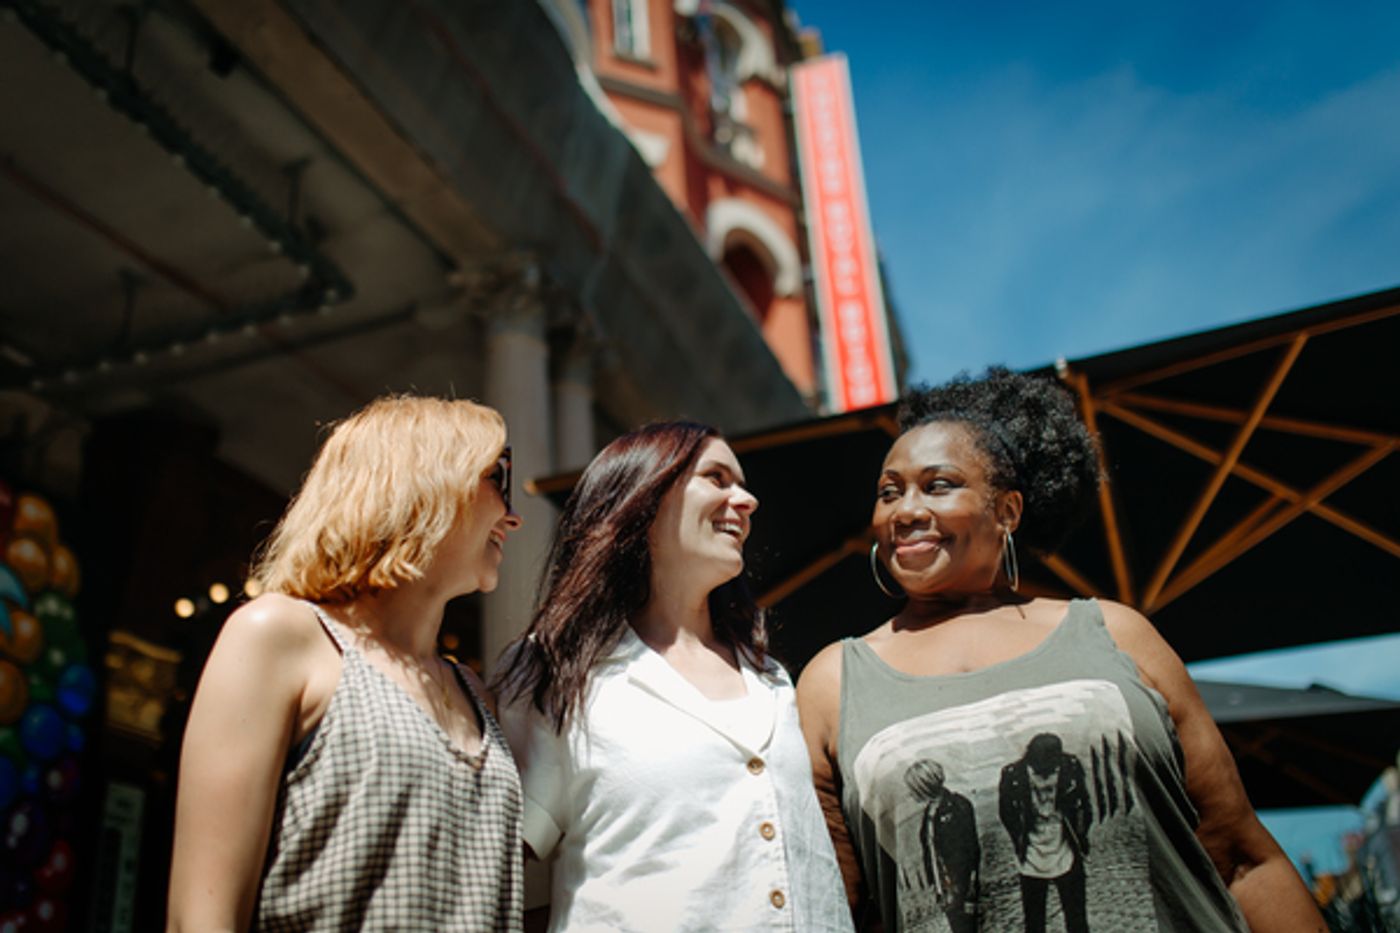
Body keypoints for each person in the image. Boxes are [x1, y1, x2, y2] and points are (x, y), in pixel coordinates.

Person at [796, 368, 1325, 932]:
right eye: (889, 492)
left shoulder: (1116, 633)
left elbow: (1240, 859)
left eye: (939, 485)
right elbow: (835, 910)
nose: (905, 511)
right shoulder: (834, 682)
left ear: (1007, 511)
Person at [167, 395, 525, 932]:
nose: (514, 517)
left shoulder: (475, 693)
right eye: (498, 477)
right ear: (421, 482)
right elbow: (201, 916)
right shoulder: (281, 636)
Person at [494, 421, 854, 932]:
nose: (747, 500)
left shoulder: (772, 678)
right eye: (717, 478)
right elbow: (495, 871)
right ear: (643, 498)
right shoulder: (555, 671)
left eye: (742, 484)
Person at [997, 733, 1091, 933]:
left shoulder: (1071, 767)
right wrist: (1019, 839)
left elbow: (1084, 805)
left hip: (1066, 847)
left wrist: (1080, 834)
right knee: (1034, 919)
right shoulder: (1012, 775)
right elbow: (1007, 814)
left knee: (1076, 917)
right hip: (1031, 851)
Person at [904, 760, 980, 933]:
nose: (910, 793)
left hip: (960, 886)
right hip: (945, 888)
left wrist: (967, 887)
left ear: (924, 786)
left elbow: (971, 850)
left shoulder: (958, 805)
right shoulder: (930, 811)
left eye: (913, 787)